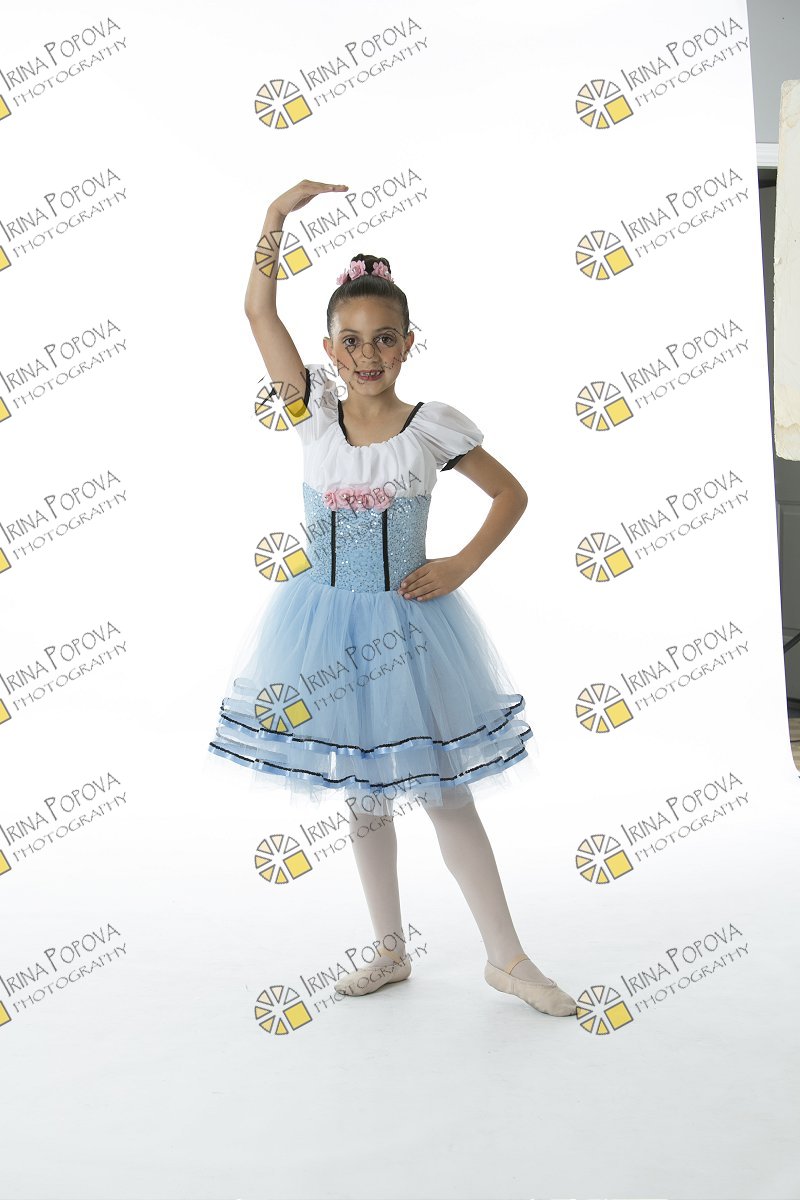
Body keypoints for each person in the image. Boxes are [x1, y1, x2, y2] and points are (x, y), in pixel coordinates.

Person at [208, 178, 577, 1018]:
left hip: (411, 630)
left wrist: (461, 564)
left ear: (409, 343)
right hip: (326, 623)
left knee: (445, 793)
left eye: (383, 338)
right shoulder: (311, 412)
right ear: (329, 349)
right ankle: (388, 948)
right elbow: (258, 313)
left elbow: (511, 494)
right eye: (350, 340)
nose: (366, 354)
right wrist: (273, 220)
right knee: (364, 792)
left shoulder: (431, 427)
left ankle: (508, 958)